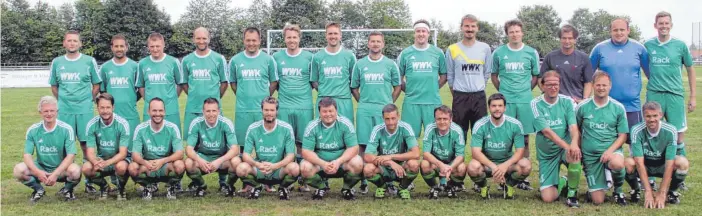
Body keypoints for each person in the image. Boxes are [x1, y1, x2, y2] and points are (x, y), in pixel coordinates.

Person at [643, 12, 696, 191]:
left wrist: (693, 97)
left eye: (666, 23)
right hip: (655, 94)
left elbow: (690, 69)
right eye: (660, 23)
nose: (663, 26)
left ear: (671, 25)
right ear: (655, 25)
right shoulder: (648, 45)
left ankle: (679, 178)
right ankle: (649, 177)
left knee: (679, 135)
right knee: (651, 133)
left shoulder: (680, 45)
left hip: (675, 95)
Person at [49, 30, 101, 193]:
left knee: (87, 146)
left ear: (80, 44)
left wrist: (87, 100)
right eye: (69, 41)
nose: (72, 43)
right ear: (64, 43)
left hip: (84, 110)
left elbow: (96, 85)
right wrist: (64, 101)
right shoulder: (57, 62)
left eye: (75, 41)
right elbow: (54, 86)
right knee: (65, 147)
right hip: (64, 111)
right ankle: (68, 184)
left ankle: (89, 181)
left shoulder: (88, 61)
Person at [490, 19, 539, 190]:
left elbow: (535, 76)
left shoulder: (531, 52)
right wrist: (504, 93)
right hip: (506, 101)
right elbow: (494, 76)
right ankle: (503, 175)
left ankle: (523, 178)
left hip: (525, 101)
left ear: (522, 33)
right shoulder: (498, 53)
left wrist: (525, 90)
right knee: (505, 138)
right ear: (507, 34)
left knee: (524, 138)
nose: (515, 34)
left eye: (517, 31)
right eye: (511, 32)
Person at [351, 31, 401, 194]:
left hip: (383, 110)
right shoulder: (359, 64)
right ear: (368, 44)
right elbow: (354, 87)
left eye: (378, 41)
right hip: (365, 109)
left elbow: (397, 86)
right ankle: (363, 179)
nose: (375, 44)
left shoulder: (390, 64)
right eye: (372, 41)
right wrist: (363, 102)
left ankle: (388, 180)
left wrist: (388, 102)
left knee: (383, 145)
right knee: (363, 144)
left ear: (383, 44)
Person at [589, 18, 650, 149]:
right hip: (606, 106)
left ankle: (636, 169)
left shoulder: (640, 49)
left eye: (622, 29)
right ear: (610, 31)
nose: (619, 33)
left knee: (635, 144)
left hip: (632, 106)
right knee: (608, 142)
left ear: (628, 30)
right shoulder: (599, 49)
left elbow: (651, 75)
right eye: (615, 30)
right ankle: (608, 169)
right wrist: (585, 98)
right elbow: (588, 76)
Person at [13, 96, 82, 203]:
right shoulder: (33, 130)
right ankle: (38, 189)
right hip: (41, 168)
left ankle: (68, 190)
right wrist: (38, 172)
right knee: (18, 170)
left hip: (61, 169)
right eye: (46, 111)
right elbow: (27, 155)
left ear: (57, 112)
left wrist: (55, 173)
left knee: (75, 170)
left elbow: (71, 155)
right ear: (40, 112)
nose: (49, 114)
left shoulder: (66, 129)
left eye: (52, 111)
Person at [272, 23, 315, 192]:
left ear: (299, 38)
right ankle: (288, 179)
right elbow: (275, 82)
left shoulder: (309, 57)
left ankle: (303, 179)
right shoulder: (276, 57)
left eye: (294, 37)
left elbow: (312, 82)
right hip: (284, 106)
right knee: (286, 143)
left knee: (303, 144)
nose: (291, 40)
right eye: (288, 37)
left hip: (304, 106)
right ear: (284, 38)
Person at [576, 71, 628, 205]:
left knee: (617, 164)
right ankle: (596, 185)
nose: (601, 88)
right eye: (598, 85)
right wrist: (578, 148)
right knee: (598, 201)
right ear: (593, 86)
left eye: (604, 85)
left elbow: (622, 136)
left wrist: (609, 151)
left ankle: (618, 190)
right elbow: (575, 130)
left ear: (610, 86)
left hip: (611, 152)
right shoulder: (582, 107)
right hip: (590, 156)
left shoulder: (618, 108)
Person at [530, 71, 582, 207]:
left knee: (574, 154)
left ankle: (572, 194)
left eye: (556, 84)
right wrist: (568, 146)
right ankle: (564, 182)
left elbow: (573, 127)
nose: (553, 87)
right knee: (548, 198)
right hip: (547, 154)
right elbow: (547, 132)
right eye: (549, 84)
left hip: (565, 150)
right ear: (542, 86)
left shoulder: (567, 101)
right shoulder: (535, 104)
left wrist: (574, 144)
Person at [625, 101, 689, 208]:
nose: (651, 119)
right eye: (648, 116)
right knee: (628, 163)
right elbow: (639, 163)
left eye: (655, 115)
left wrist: (661, 192)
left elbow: (670, 163)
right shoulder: (636, 130)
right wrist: (648, 192)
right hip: (645, 165)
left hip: (662, 165)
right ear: (643, 116)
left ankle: (671, 193)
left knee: (682, 163)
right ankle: (636, 190)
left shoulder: (671, 130)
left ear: (661, 115)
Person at [467, 93, 531, 200]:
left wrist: (504, 166)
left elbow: (520, 151)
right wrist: (494, 167)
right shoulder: (480, 124)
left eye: (500, 106)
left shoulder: (515, 124)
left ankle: (508, 186)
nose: (497, 109)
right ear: (489, 108)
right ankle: (483, 187)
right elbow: (475, 152)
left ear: (505, 108)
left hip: (507, 164)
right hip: (487, 165)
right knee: (473, 167)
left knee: (526, 165)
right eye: (494, 106)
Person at [300, 97, 363, 200]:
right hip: (320, 164)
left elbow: (354, 148)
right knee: (304, 167)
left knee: (358, 162)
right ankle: (321, 187)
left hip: (341, 163)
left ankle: (347, 188)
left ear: (336, 111)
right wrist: (323, 164)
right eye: (324, 111)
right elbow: (306, 151)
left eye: (331, 111)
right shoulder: (312, 126)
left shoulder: (345, 123)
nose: (328, 114)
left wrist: (338, 162)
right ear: (319, 112)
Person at [236, 97, 299, 200]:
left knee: (295, 168)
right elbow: (246, 155)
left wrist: (275, 166)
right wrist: (258, 164)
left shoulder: (286, 128)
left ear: (277, 111)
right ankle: (257, 187)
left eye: (272, 110)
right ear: (262, 110)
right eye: (266, 110)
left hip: (279, 169)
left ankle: (283, 188)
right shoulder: (253, 128)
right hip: (260, 168)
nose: (269, 113)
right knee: (240, 169)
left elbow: (291, 155)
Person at [229, 27, 279, 148]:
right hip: (243, 109)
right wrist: (243, 95)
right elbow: (233, 83)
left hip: (262, 110)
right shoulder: (235, 60)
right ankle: (242, 165)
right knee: (242, 144)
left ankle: (265, 165)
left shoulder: (268, 59)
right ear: (244, 40)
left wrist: (265, 97)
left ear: (259, 40)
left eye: (254, 40)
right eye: (248, 40)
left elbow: (274, 81)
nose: (251, 43)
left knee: (265, 143)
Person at [128, 98, 185, 200]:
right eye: (154, 110)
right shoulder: (140, 129)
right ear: (148, 111)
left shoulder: (172, 128)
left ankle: (171, 186)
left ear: (164, 111)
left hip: (165, 165)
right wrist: (145, 163)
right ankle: (147, 186)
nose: (157, 114)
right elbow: (135, 154)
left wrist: (162, 161)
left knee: (180, 165)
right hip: (148, 166)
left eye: (160, 110)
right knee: (132, 168)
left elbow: (180, 153)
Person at [398, 19, 447, 137]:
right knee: (410, 137)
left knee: (435, 137)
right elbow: (399, 78)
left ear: (428, 34)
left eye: (423, 31)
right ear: (414, 33)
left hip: (432, 102)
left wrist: (433, 88)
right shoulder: (405, 53)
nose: (421, 34)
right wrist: (409, 89)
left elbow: (444, 76)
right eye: (418, 31)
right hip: (411, 103)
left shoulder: (438, 52)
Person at [446, 14, 492, 135]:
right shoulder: (452, 49)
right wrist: (456, 93)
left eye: (473, 26)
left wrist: (478, 87)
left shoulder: (485, 48)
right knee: (459, 133)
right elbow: (450, 75)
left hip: (479, 97)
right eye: (466, 26)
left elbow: (486, 72)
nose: (470, 29)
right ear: (461, 27)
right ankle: (459, 155)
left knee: (481, 133)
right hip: (460, 97)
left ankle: (478, 155)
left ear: (477, 28)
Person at [184, 98, 240, 197]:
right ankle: (201, 185)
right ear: (203, 112)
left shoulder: (226, 123)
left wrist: (219, 161)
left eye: (214, 111)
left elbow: (235, 149)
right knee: (188, 163)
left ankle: (229, 185)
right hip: (203, 158)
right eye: (208, 111)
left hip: (221, 159)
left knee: (236, 161)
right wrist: (199, 160)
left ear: (218, 111)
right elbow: (188, 149)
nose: (211, 114)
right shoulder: (196, 123)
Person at [362, 104, 420, 199]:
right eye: (387, 119)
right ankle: (383, 187)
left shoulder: (405, 127)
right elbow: (367, 156)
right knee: (368, 169)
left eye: (393, 118)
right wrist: (389, 162)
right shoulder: (377, 129)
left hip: (401, 166)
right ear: (383, 118)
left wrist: (391, 157)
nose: (390, 122)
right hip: (383, 166)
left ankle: (403, 188)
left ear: (398, 116)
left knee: (414, 164)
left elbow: (416, 154)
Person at [82, 93, 131, 200]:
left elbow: (123, 153)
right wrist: (96, 162)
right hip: (101, 159)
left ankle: (121, 188)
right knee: (86, 168)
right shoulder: (91, 124)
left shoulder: (122, 124)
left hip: (119, 160)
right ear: (97, 108)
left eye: (108, 107)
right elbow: (89, 152)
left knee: (121, 167)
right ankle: (104, 187)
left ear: (113, 107)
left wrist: (107, 163)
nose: (105, 111)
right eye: (102, 107)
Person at [136, 33, 185, 131]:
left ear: (163, 45)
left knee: (173, 142)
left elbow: (180, 83)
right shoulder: (142, 63)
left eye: (157, 46)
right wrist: (148, 100)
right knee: (150, 141)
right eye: (152, 46)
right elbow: (141, 86)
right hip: (150, 111)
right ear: (148, 47)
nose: (155, 49)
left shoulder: (173, 62)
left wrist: (172, 97)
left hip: (170, 110)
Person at [310, 22, 357, 121]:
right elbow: (314, 81)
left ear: (340, 36)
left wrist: (341, 92)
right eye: (330, 34)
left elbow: (354, 81)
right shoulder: (317, 57)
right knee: (322, 133)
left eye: (335, 33)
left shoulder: (349, 56)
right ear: (326, 36)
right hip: (323, 101)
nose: (333, 36)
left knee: (345, 133)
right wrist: (326, 91)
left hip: (344, 101)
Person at [420, 105, 467, 199]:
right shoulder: (430, 128)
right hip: (435, 163)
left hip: (451, 164)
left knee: (462, 167)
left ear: (451, 119)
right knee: (424, 164)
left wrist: (449, 167)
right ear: (435, 119)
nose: (442, 122)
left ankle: (450, 186)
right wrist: (440, 165)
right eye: (439, 119)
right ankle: (434, 187)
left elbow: (460, 156)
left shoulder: (457, 130)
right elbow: (426, 153)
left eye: (445, 119)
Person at [539, 25, 594, 103]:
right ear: (560, 39)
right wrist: (548, 94)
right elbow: (541, 79)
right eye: (564, 38)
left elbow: (588, 82)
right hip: (554, 102)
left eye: (570, 38)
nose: (567, 41)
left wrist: (584, 100)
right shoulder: (550, 57)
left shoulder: (584, 58)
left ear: (575, 40)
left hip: (575, 102)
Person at [100, 34, 140, 133]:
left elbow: (140, 89)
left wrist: (132, 99)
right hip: (111, 115)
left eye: (122, 46)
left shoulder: (135, 66)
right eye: (116, 46)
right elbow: (103, 91)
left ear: (126, 47)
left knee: (131, 148)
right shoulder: (105, 67)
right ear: (112, 48)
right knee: (113, 147)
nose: (119, 49)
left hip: (131, 114)